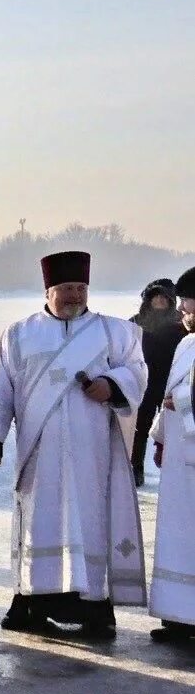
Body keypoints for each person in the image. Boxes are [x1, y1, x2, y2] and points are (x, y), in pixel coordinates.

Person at [0, 252, 149, 640]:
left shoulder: (112, 332)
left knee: (91, 525)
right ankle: (33, 605)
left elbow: (137, 369)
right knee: (40, 524)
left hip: (94, 451)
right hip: (40, 453)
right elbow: (0, 387)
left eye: (80, 288)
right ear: (48, 290)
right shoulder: (19, 334)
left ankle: (95, 610)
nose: (74, 295)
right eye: (66, 288)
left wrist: (112, 385)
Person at [146, 268, 195, 647]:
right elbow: (170, 387)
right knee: (178, 534)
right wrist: (161, 436)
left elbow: (180, 395)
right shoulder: (185, 344)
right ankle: (179, 616)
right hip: (181, 458)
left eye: (187, 302)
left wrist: (178, 402)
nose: (182, 309)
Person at [131, 277, 188, 486]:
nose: (160, 302)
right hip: (144, 381)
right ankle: (136, 466)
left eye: (165, 298)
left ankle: (176, 469)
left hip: (171, 383)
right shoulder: (136, 322)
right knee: (140, 427)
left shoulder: (181, 325)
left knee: (175, 429)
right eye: (156, 298)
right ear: (148, 299)